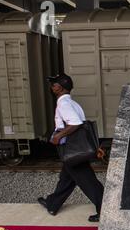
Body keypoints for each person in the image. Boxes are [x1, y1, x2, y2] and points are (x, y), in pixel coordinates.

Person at [37, 73, 104, 222]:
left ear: (59, 87)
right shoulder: (72, 103)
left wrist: (58, 137)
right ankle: (52, 204)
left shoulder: (64, 104)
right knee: (66, 178)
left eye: (53, 84)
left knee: (88, 182)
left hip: (72, 149)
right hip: (75, 148)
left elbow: (75, 123)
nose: (51, 87)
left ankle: (104, 210)